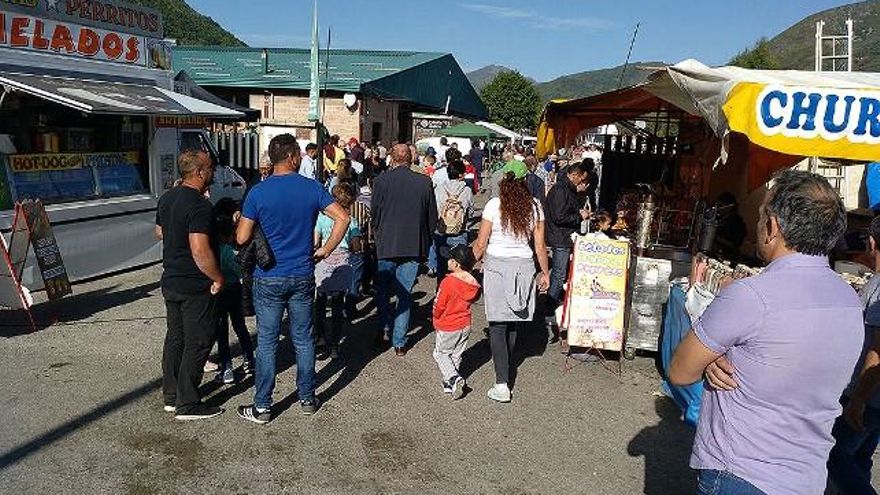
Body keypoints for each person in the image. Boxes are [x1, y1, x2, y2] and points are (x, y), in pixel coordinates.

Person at [668, 170, 864, 495]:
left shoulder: (751, 295)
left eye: (761, 217)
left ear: (772, 227)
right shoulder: (849, 300)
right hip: (806, 478)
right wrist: (722, 356)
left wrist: (714, 357)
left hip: (741, 472)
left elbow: (680, 371)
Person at [235, 134, 350, 424]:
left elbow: (241, 237)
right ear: (291, 157)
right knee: (303, 339)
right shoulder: (312, 188)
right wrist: (324, 250)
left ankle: (262, 405)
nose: (301, 159)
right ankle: (308, 397)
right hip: (302, 273)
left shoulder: (258, 193)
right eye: (299, 154)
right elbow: (343, 219)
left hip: (269, 275)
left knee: (268, 342)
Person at [472, 160, 550, 403]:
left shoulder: (494, 205)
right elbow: (539, 246)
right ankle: (506, 367)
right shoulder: (535, 206)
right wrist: (544, 273)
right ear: (526, 180)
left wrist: (464, 266)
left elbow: (481, 243)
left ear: (503, 180)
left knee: (497, 324)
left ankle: (502, 382)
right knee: (514, 321)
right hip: (524, 267)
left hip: (497, 267)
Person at [155, 150, 225, 420]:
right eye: (210, 168)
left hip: (171, 277)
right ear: (199, 172)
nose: (213, 172)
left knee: (175, 338)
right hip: (194, 283)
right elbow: (199, 249)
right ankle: (188, 402)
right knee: (198, 341)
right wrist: (217, 276)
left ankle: (171, 395)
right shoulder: (199, 205)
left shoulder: (168, 198)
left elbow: (160, 231)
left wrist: (176, 238)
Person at [828, 215, 880, 494]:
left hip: (868, 396)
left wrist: (858, 398)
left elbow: (878, 349)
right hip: (873, 398)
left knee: (834, 457)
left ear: (871, 243)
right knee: (859, 457)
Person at [371, 144, 437, 356]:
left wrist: (378, 237)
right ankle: (399, 341)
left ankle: (383, 330)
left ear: (392, 158)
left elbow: (375, 214)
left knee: (383, 292)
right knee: (404, 293)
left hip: (387, 244)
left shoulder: (381, 181)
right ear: (410, 159)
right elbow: (432, 218)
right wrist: (425, 243)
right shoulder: (424, 182)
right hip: (412, 245)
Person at [314, 184, 361, 360]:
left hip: (323, 259)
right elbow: (356, 247)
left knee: (320, 300)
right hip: (342, 261)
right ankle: (334, 345)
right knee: (337, 304)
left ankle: (319, 337)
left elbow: (315, 242)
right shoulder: (351, 220)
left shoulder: (322, 217)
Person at [212, 202, 255, 384]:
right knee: (240, 327)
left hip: (219, 293)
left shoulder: (213, 252)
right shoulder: (230, 252)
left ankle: (227, 368)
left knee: (222, 332)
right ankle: (249, 359)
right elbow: (240, 271)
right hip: (234, 291)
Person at [545, 161, 591, 325]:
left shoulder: (566, 189)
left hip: (563, 236)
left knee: (560, 273)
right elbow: (559, 216)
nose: (582, 183)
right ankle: (549, 309)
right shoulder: (560, 189)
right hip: (560, 237)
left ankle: (552, 305)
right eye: (582, 179)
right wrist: (579, 216)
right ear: (575, 175)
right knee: (559, 274)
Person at [432, 244, 480, 400]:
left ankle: (453, 377)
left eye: (450, 258)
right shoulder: (472, 283)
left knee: (440, 354)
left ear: (456, 264)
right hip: (464, 323)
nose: (447, 260)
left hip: (448, 324)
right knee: (456, 354)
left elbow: (439, 304)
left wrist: (436, 316)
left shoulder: (448, 282)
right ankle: (449, 382)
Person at [434, 160, 473, 282]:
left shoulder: (439, 189)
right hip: (459, 232)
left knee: (442, 265)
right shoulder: (466, 191)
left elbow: (435, 209)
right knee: (459, 267)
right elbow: (470, 211)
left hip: (442, 231)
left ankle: (441, 289)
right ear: (461, 174)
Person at [714, 192, 747, 261]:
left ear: (729, 207)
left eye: (720, 206)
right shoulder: (718, 218)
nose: (717, 208)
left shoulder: (737, 223)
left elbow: (735, 245)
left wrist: (715, 237)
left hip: (729, 258)